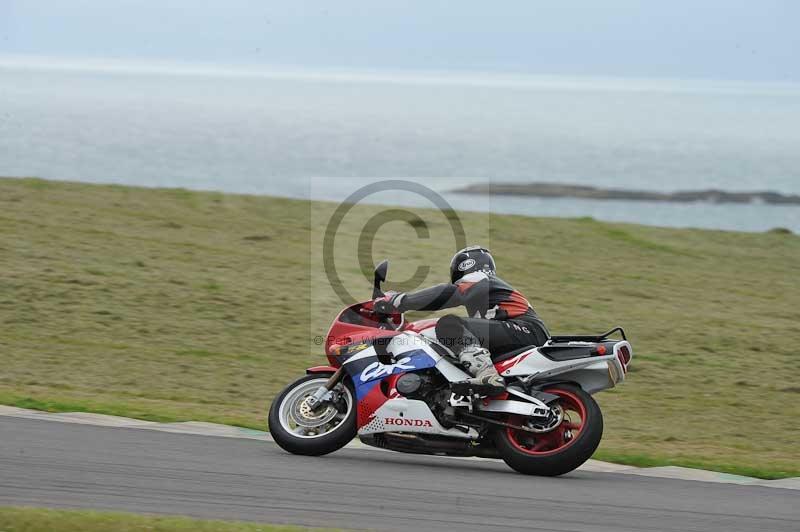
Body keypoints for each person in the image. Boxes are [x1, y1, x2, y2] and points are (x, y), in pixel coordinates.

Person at [374, 245, 549, 395]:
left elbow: (447, 294)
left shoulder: (480, 277)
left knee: (449, 324)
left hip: (524, 329)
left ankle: (487, 375)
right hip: (522, 332)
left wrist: (399, 301)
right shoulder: (488, 291)